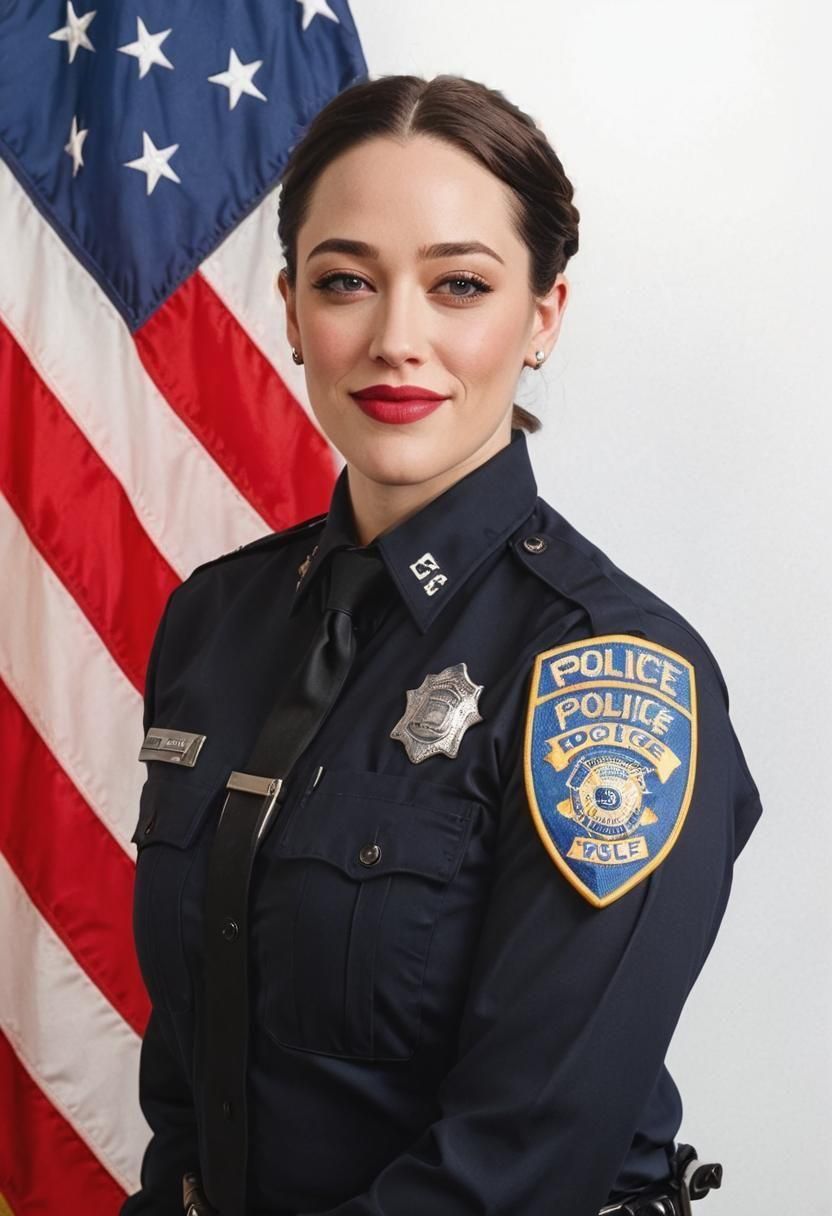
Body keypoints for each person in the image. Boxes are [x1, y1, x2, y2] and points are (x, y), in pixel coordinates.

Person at [122, 74, 763, 1216]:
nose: (393, 339)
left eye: (459, 284)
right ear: (288, 307)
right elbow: (190, 1091)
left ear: (543, 317)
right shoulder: (217, 620)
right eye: (345, 283)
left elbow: (518, 1164)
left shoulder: (608, 676)